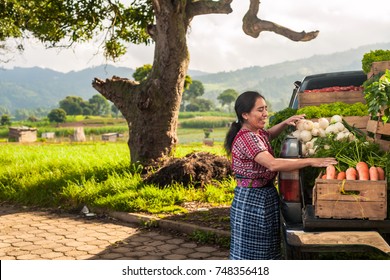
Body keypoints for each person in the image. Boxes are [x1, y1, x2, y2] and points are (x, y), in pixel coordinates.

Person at [224, 91, 337, 260]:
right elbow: (273, 164)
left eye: (266, 108)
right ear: (245, 115)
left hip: (263, 195)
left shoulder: (256, 132)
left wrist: (285, 123)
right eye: (260, 110)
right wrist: (311, 161)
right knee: (252, 255)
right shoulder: (248, 138)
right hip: (252, 200)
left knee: (267, 248)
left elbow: (269, 134)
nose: (265, 114)